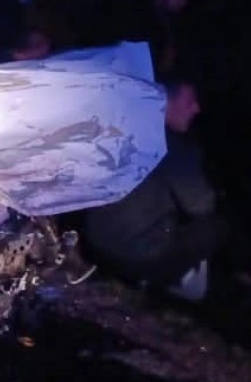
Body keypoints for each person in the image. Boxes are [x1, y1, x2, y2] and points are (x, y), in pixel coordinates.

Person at [83, 78, 226, 302]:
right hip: (132, 255)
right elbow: (201, 205)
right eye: (190, 102)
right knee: (213, 227)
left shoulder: (120, 128)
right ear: (165, 102)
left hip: (94, 242)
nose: (197, 108)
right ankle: (161, 282)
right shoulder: (177, 149)